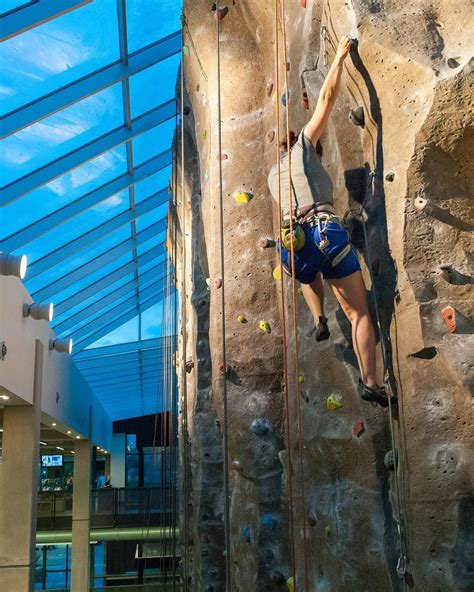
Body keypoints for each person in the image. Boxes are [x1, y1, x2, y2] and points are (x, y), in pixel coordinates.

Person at [268, 34, 392, 408]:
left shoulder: (274, 177)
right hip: (325, 233)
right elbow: (326, 100)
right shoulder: (304, 148)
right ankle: (371, 381)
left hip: (295, 249)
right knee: (359, 314)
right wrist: (339, 57)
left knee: (308, 272)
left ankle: (319, 316)